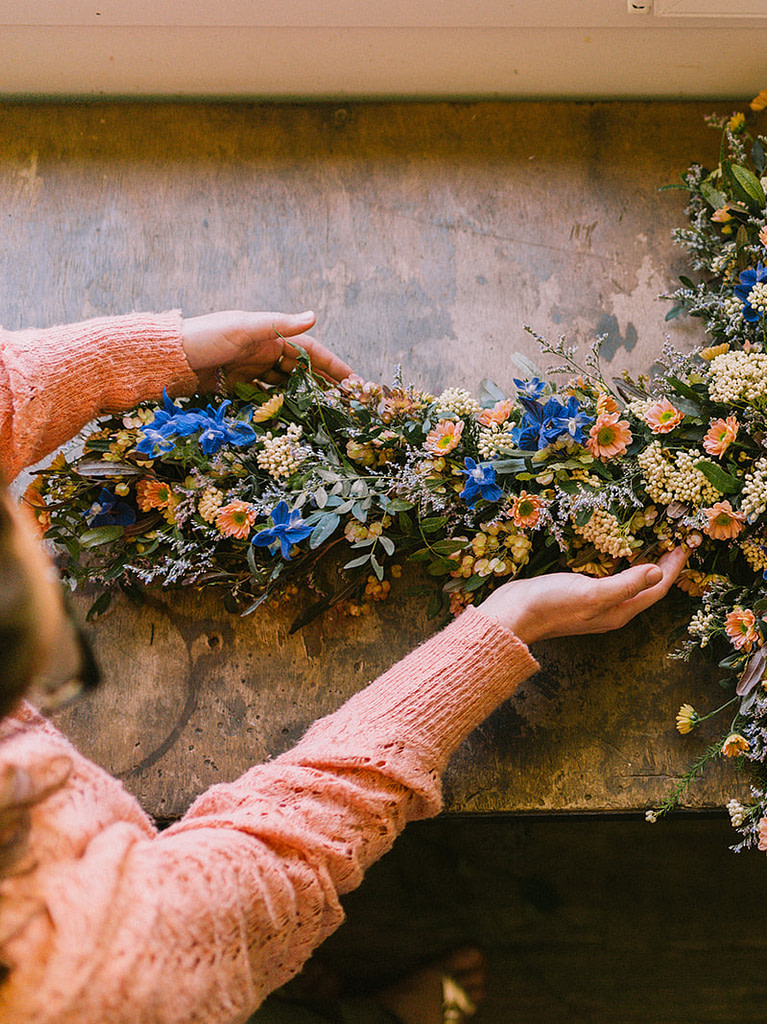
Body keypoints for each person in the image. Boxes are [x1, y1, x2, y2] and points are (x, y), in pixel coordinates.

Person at [0, 310, 689, 1024]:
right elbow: (284, 857)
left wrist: (154, 351)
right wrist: (506, 625)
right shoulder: (78, 972)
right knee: (257, 984)